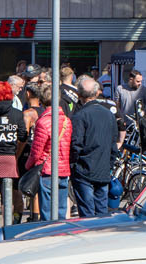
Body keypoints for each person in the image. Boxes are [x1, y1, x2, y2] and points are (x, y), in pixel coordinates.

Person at [69, 77, 116, 218]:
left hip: (84, 170)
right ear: (96, 93)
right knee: (101, 211)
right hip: (102, 169)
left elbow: (76, 144)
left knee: (87, 212)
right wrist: (109, 164)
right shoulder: (109, 114)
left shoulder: (80, 115)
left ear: (79, 95)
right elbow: (113, 144)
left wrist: (73, 164)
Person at [27, 85, 72, 221]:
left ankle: (48, 236)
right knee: (61, 209)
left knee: (46, 211)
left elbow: (36, 150)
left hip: (47, 169)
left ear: (41, 100)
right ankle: (60, 235)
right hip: (63, 169)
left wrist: (29, 166)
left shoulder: (43, 121)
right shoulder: (66, 121)